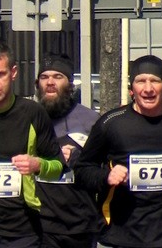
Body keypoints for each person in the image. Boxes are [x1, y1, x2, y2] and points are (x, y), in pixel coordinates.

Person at [74, 54, 162, 248]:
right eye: (141, 81)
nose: (148, 89)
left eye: (155, 81)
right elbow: (82, 169)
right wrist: (106, 177)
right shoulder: (111, 123)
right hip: (121, 233)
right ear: (132, 88)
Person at [0, 40, 66, 248]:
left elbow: (59, 167)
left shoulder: (32, 112)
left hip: (21, 230)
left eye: (0, 75)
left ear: (13, 73)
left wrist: (37, 165)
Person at [35, 53, 101, 248]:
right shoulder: (28, 117)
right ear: (37, 84)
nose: (50, 82)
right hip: (40, 225)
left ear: (70, 84)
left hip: (80, 225)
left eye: (58, 76)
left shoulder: (90, 121)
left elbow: (103, 171)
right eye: (44, 77)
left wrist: (80, 159)